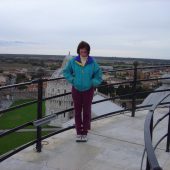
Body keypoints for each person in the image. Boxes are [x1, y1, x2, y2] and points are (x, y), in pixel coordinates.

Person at [62, 41, 103, 142]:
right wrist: (73, 80)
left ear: (88, 51)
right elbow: (66, 71)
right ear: (79, 50)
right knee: (77, 111)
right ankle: (78, 132)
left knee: (87, 111)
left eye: (85, 51)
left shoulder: (92, 62)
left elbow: (99, 75)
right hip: (76, 89)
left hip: (88, 90)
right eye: (81, 50)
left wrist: (93, 83)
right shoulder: (73, 61)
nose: (83, 52)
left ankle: (85, 132)